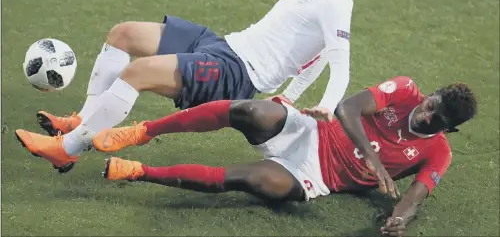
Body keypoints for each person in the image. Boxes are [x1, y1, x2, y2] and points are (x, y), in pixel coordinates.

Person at [15, 0, 361, 173]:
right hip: (221, 46)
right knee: (124, 34)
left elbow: (338, 62)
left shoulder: (335, 5)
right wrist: (292, 93)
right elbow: (316, 53)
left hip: (235, 74)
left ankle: (68, 149)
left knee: (137, 73)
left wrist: (327, 103)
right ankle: (82, 121)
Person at [93, 76, 474, 237]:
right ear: (431, 93)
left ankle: (140, 172)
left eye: (435, 118)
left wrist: (397, 221)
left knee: (250, 179)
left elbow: (414, 197)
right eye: (430, 103)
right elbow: (347, 108)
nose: (425, 113)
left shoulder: (438, 152)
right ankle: (143, 132)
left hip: (316, 175)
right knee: (250, 111)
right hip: (313, 130)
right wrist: (375, 163)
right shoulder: (405, 89)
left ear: (448, 128)